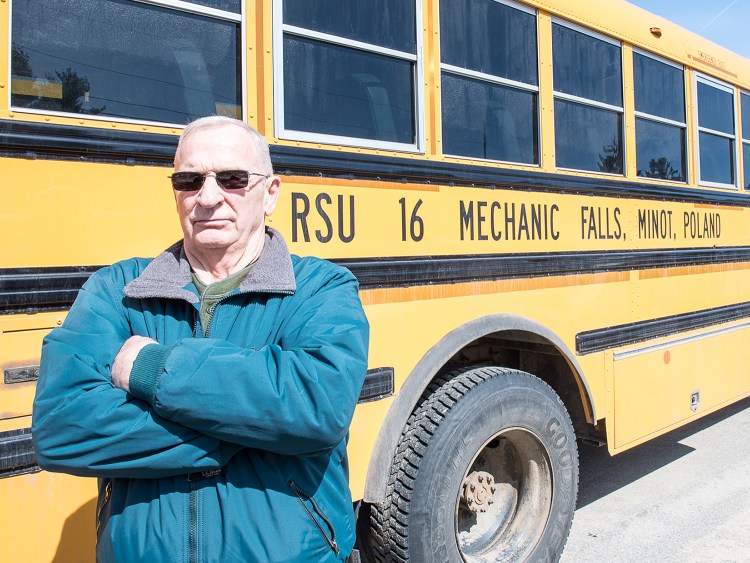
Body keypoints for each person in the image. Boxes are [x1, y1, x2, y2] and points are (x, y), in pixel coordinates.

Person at [32, 116, 369, 562]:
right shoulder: (119, 289)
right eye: (189, 180)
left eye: (232, 179)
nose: (208, 198)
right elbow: (61, 427)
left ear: (270, 194)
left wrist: (152, 370)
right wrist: (248, 428)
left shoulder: (320, 287)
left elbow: (317, 407)